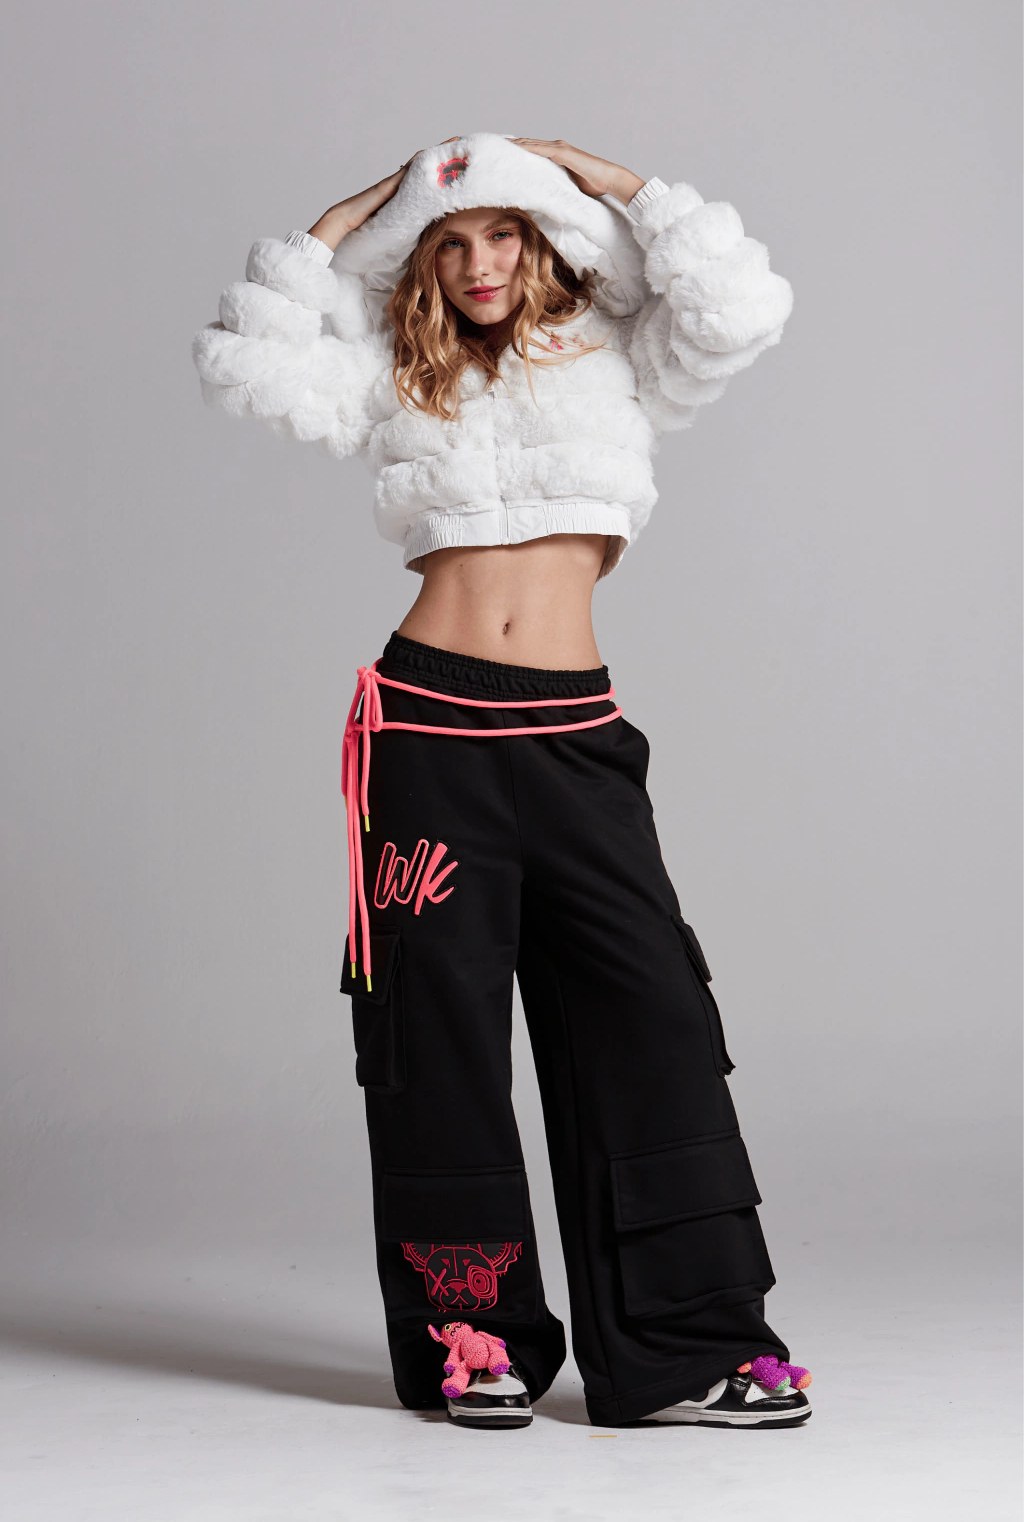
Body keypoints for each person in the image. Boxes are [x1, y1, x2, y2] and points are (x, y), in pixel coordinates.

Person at [192, 133, 812, 1431]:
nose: (479, 263)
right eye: (451, 243)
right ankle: (472, 1340)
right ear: (421, 264)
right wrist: (355, 211)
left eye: (505, 232)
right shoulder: (392, 370)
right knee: (438, 1045)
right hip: (427, 731)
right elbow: (245, 362)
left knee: (653, 1025)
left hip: (577, 737)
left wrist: (606, 176)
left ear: (546, 241)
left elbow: (743, 303)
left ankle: (693, 1344)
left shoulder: (622, 351)